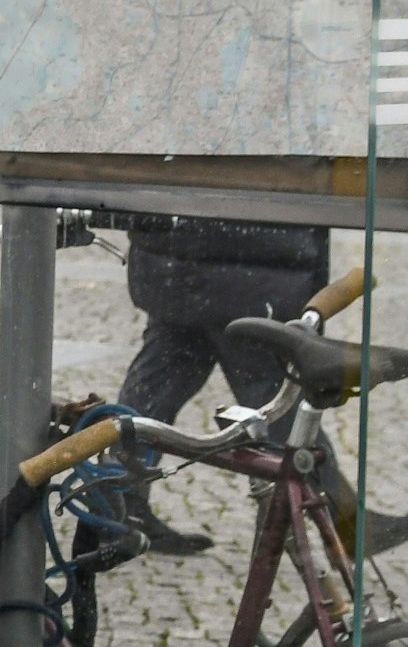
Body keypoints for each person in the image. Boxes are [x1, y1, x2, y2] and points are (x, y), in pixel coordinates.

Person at [117, 218, 339, 554]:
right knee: (272, 395)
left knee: (160, 384)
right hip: (236, 265)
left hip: (194, 260)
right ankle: (345, 519)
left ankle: (117, 509)